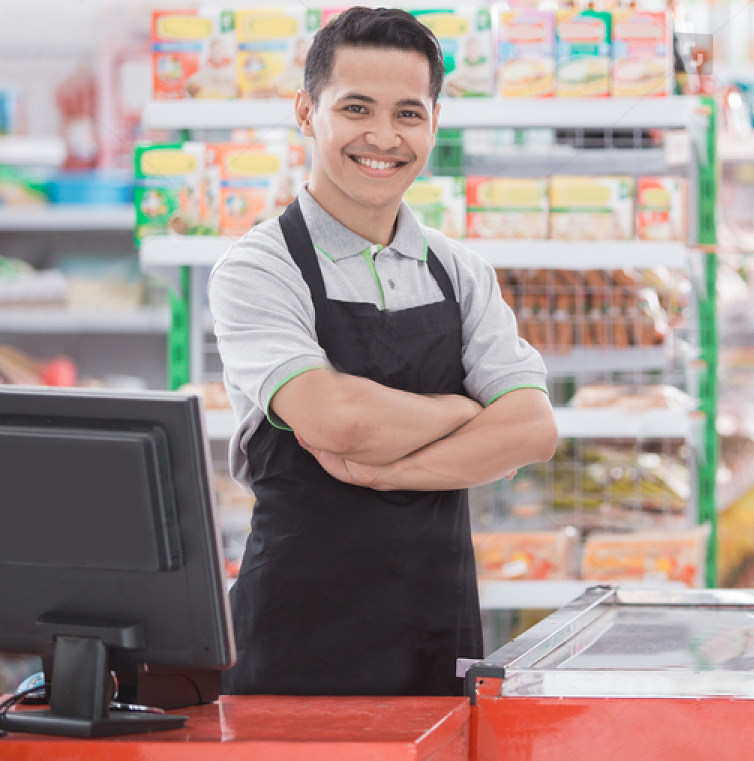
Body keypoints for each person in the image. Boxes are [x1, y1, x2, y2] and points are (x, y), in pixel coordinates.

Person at [208, 6, 556, 697]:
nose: (383, 137)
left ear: (433, 123)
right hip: (297, 637)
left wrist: (379, 471)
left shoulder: (457, 270)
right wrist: (462, 410)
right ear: (307, 112)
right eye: (356, 108)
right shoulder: (258, 268)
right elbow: (334, 419)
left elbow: (533, 428)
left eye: (408, 113)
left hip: (438, 628)